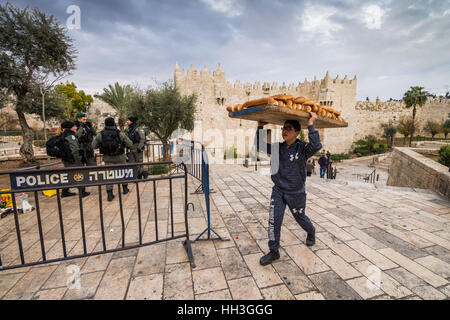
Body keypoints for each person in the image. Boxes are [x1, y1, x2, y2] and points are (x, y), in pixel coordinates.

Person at [256, 113, 322, 266]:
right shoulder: (277, 148)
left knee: (300, 217)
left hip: (296, 193)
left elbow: (316, 146)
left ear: (297, 133)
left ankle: (311, 231)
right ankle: (274, 251)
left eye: (289, 129)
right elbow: (259, 145)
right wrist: (260, 126)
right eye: (283, 128)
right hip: (278, 191)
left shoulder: (302, 148)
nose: (284, 131)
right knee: (274, 220)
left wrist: (311, 124)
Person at [92, 117, 133, 201]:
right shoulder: (120, 133)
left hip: (108, 158)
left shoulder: (100, 134)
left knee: (109, 175)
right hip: (120, 157)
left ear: (105, 124)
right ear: (114, 123)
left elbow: (93, 146)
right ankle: (125, 189)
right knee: (123, 172)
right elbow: (130, 144)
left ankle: (110, 194)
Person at [60, 121, 90, 198]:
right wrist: (79, 160)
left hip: (67, 159)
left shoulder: (64, 135)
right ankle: (82, 192)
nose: (76, 127)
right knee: (79, 175)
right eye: (74, 126)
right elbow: (75, 150)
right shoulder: (71, 136)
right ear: (71, 127)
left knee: (69, 175)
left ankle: (65, 191)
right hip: (73, 160)